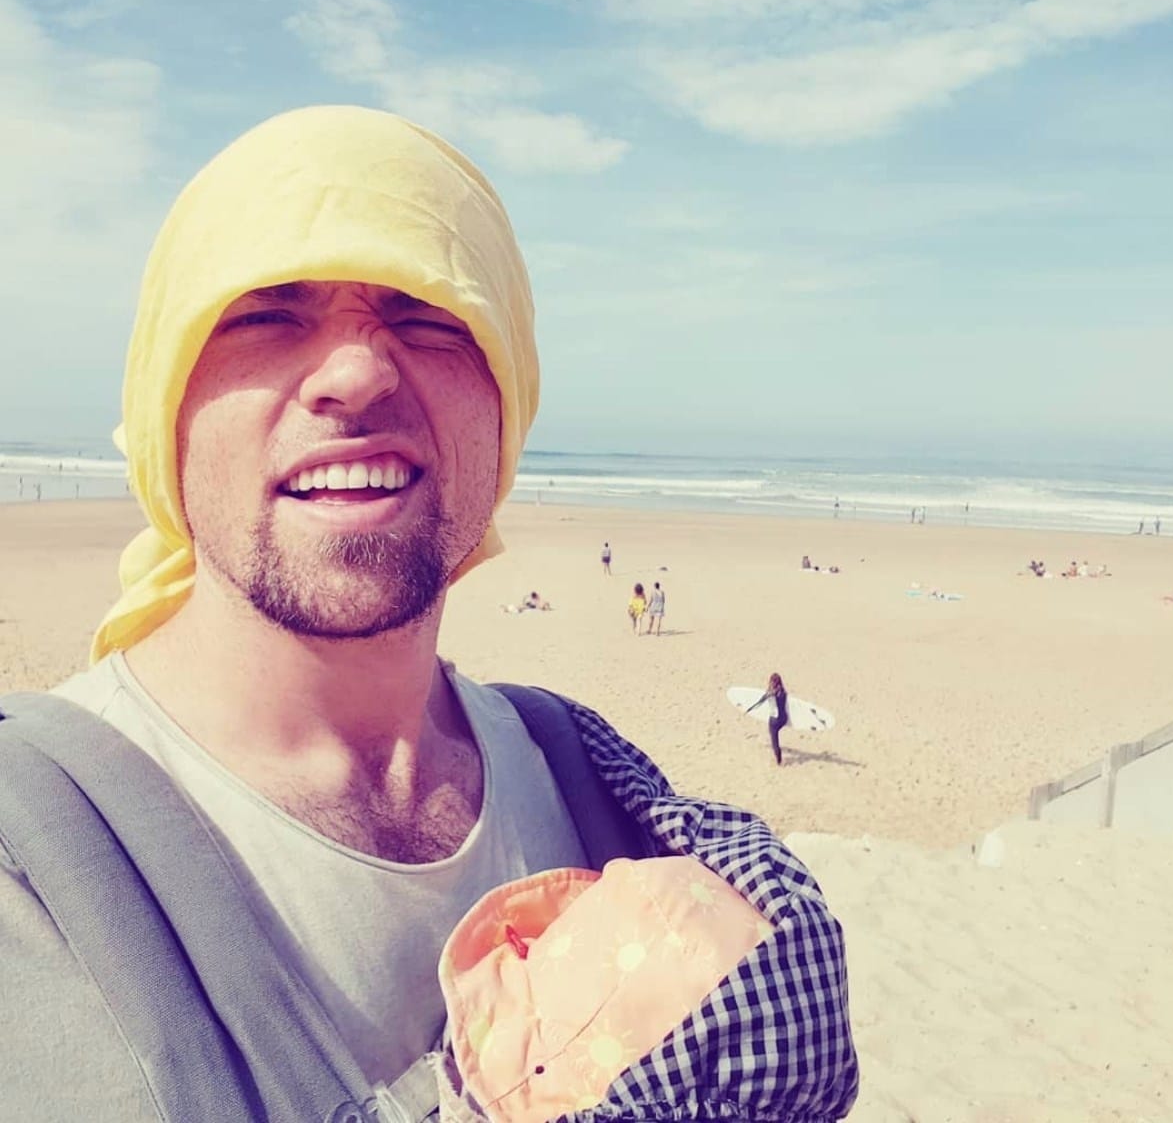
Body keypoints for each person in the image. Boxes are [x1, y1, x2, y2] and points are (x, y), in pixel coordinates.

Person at [0, 107, 857, 1121]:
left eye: (428, 318)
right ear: (165, 407)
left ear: (505, 405)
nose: (357, 373)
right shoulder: (39, 857)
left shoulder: (581, 774)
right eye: (265, 314)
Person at [746, 672, 790, 766]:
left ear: (771, 682)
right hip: (784, 719)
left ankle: (779, 761)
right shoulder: (784, 693)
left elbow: (759, 702)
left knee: (774, 740)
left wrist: (749, 709)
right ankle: (778, 757)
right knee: (777, 730)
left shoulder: (770, 694)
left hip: (775, 721)